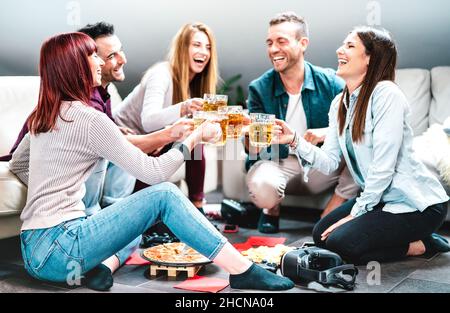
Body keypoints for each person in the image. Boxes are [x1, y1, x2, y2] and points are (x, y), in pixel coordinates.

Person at [9, 32, 294, 291]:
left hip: (33, 248)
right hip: (61, 249)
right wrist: (193, 138)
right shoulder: (89, 118)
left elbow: (19, 165)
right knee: (166, 195)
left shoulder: (44, 113)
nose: (99, 61)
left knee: (134, 222)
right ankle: (242, 270)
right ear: (74, 65)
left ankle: (103, 267)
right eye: (92, 55)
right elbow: (154, 173)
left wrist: (54, 195)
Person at [273, 26, 450, 264]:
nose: (339, 50)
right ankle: (402, 237)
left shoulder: (387, 95)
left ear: (370, 58)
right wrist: (294, 140)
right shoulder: (340, 103)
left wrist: (356, 214)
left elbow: (383, 166)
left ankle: (422, 244)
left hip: (417, 205)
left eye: (350, 46)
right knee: (320, 236)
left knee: (341, 243)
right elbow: (330, 162)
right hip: (380, 202)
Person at [245, 12, 359, 234]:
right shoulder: (259, 88)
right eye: (269, 43)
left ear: (302, 43)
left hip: (319, 164)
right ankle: (271, 210)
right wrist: (249, 140)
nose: (273, 49)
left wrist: (327, 133)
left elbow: (355, 126)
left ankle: (329, 214)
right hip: (279, 162)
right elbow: (254, 150)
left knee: (360, 152)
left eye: (281, 41)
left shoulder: (332, 83)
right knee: (262, 184)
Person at [113, 22, 218, 212]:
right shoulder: (161, 74)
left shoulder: (193, 83)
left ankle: (198, 207)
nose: (204, 52)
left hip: (153, 141)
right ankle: (151, 216)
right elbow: (149, 120)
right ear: (182, 48)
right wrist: (184, 109)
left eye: (208, 47)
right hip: (126, 142)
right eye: (197, 45)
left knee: (195, 138)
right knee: (191, 137)